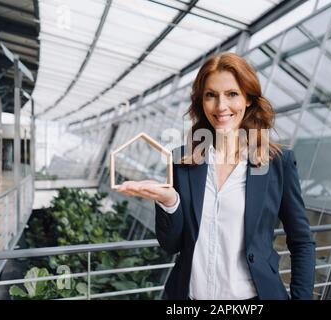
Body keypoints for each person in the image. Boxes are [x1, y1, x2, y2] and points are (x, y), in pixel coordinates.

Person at [116, 52, 315, 300]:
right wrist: (169, 202)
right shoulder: (182, 161)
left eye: (232, 94)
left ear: (249, 99)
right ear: (201, 102)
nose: (221, 107)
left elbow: (301, 242)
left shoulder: (277, 163)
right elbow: (172, 245)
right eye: (211, 95)